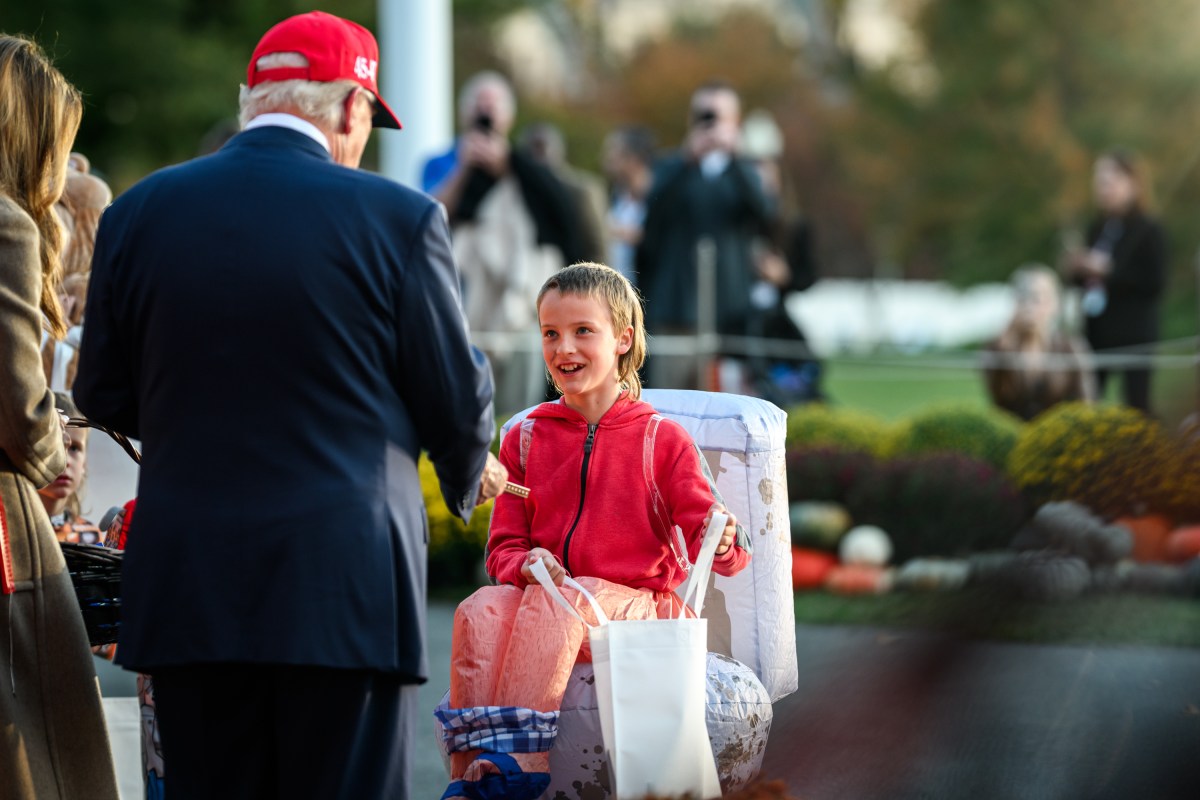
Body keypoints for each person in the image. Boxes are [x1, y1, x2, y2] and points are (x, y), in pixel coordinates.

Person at [74, 12, 503, 799]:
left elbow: (99, 390)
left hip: (191, 591)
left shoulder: (136, 212)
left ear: (250, 100)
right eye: (370, 120)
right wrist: (468, 463)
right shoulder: (398, 218)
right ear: (348, 107)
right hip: (345, 590)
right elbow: (455, 395)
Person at [439, 263, 751, 799]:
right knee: (479, 610)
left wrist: (722, 542)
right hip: (557, 602)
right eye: (551, 333)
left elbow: (721, 545)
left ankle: (520, 767)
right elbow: (502, 551)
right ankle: (471, 777)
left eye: (584, 331)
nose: (565, 348)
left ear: (623, 339)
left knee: (556, 603)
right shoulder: (526, 437)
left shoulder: (661, 439)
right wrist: (528, 565)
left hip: (638, 610)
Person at [0, 33, 120, 799]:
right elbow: (16, 405)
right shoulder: (8, 225)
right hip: (5, 524)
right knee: (37, 747)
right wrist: (56, 447)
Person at [422, 71, 587, 414]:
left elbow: (561, 218)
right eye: (479, 104)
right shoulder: (439, 162)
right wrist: (465, 169)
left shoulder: (526, 167)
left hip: (518, 307)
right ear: (463, 111)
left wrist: (508, 166)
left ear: (508, 116)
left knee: (519, 406)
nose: (486, 112)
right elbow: (429, 218)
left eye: (493, 105)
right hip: (463, 302)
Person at [635, 80, 773, 389]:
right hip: (677, 310)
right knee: (670, 407)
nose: (709, 125)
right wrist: (688, 159)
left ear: (735, 122)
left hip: (731, 314)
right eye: (703, 116)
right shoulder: (670, 168)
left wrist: (735, 156)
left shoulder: (745, 172)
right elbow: (651, 214)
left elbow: (766, 215)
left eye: (717, 117)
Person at [1062, 149, 1167, 413]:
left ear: (1132, 184)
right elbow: (1084, 284)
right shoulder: (1096, 227)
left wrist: (1108, 271)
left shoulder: (1148, 230)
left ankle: (1145, 454)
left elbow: (1155, 282)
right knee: (1086, 400)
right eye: (1099, 183)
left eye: (1109, 182)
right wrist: (1076, 268)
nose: (1102, 189)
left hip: (1134, 333)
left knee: (1137, 406)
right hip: (1097, 331)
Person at [984, 265, 1095, 421]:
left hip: (1061, 434)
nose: (1030, 306)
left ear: (1054, 303)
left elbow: (1087, 405)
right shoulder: (997, 346)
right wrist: (1005, 352)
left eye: (1038, 297)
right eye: (1023, 297)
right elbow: (1000, 400)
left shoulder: (1071, 347)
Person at [37, 392, 103, 544]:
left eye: (74, 448)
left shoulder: (91, 537)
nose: (65, 460)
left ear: (84, 463)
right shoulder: (6, 533)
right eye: (53, 446)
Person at [601, 125, 655, 283]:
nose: (606, 158)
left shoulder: (660, 197)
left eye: (612, 151)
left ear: (632, 158)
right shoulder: (616, 195)